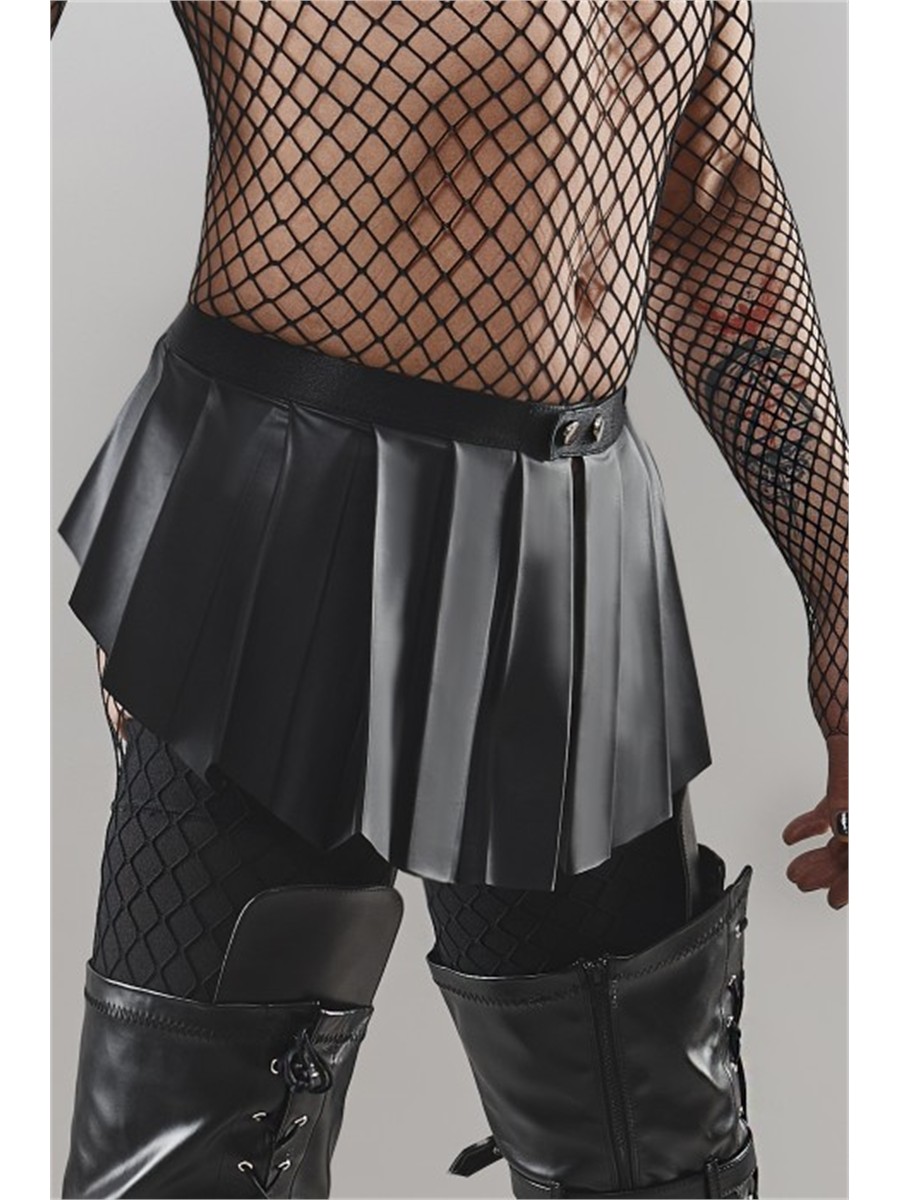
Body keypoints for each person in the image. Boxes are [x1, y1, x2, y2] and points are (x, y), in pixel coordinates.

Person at [51, 2, 847, 1197]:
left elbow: (709, 195)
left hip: (574, 547)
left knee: (649, 1154)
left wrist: (848, 598)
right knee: (186, 1162)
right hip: (278, 518)